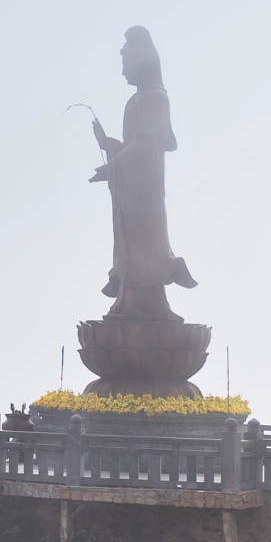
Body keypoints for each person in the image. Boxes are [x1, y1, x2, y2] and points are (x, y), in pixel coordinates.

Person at [90, 26, 196, 321]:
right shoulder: (135, 102)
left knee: (147, 249)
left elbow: (145, 147)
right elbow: (130, 147)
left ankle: (149, 301)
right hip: (130, 198)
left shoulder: (155, 98)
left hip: (145, 196)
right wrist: (107, 145)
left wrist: (112, 167)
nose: (123, 70)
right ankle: (127, 297)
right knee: (129, 247)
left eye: (126, 62)